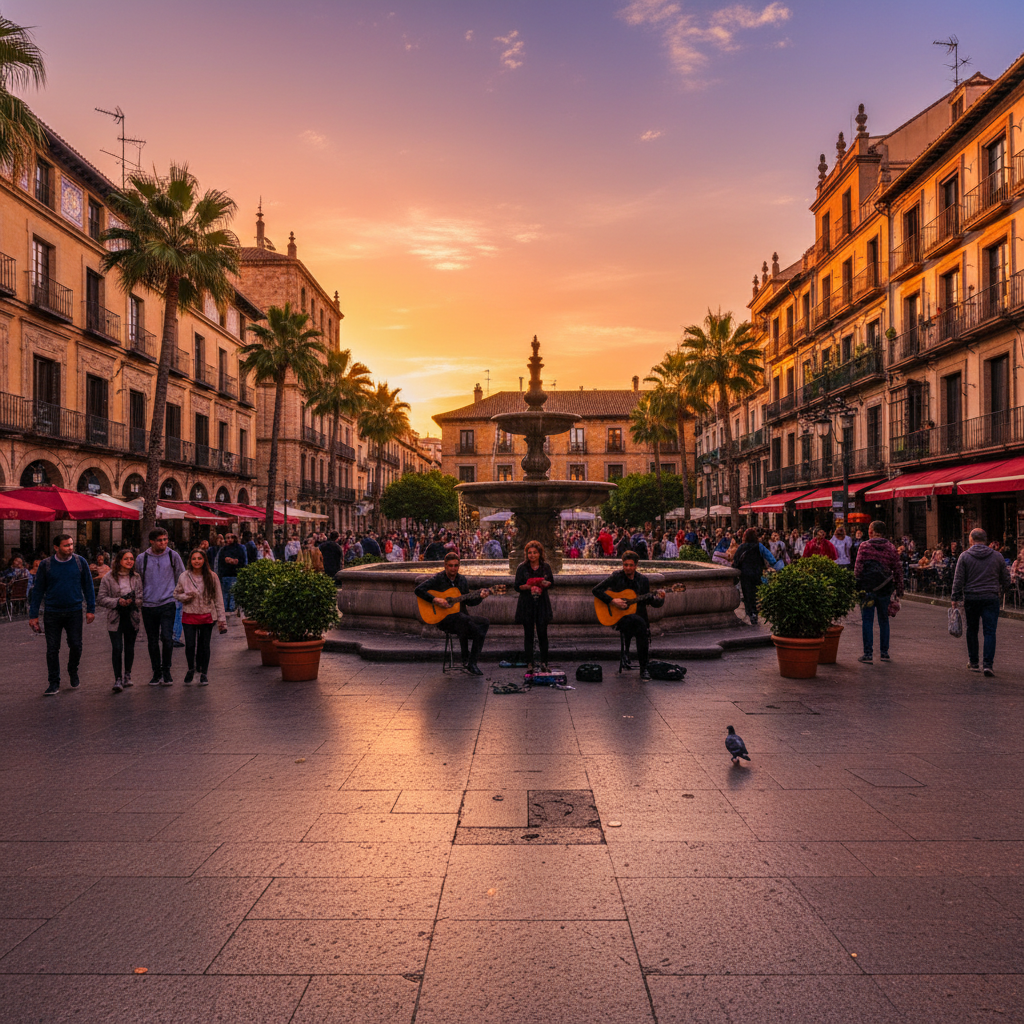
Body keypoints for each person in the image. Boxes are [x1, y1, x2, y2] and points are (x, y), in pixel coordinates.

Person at [29, 534, 96, 696]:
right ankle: (54, 682)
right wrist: (33, 615)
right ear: (56, 547)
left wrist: (91, 609)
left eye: (71, 544)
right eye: (66, 545)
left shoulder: (80, 562)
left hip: (74, 611)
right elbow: (37, 591)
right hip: (52, 612)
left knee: (76, 645)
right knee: (52, 648)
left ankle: (73, 669)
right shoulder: (46, 565)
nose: (70, 548)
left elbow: (88, 586)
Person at [414, 551, 491, 675]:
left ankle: (471, 662)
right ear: (445, 565)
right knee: (468, 622)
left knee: (484, 622)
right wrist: (435, 599)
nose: (453, 568)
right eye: (450, 565)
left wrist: (480, 597)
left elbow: (469, 602)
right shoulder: (438, 578)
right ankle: (468, 660)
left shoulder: (462, 580)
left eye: (456, 566)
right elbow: (418, 590)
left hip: (462, 620)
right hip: (444, 620)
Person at [593, 551, 665, 681]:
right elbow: (596, 590)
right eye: (625, 565)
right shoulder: (617, 577)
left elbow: (650, 601)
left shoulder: (643, 581)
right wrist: (612, 601)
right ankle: (642, 666)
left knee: (641, 627)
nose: (627, 568)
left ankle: (643, 668)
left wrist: (660, 599)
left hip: (639, 620)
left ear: (636, 565)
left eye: (631, 565)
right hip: (621, 619)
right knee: (640, 625)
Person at [951, 527, 1010, 677]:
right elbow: (1006, 579)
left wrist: (955, 598)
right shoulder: (997, 556)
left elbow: (958, 580)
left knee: (972, 629)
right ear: (986, 540)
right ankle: (988, 665)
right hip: (991, 597)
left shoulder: (964, 556)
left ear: (971, 540)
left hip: (971, 597)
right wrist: (1002, 591)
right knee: (990, 631)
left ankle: (974, 662)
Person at [138, 528, 186, 686]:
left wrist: (180, 597)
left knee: (167, 638)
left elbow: (181, 576)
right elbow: (137, 580)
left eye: (165, 539)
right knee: (152, 641)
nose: (163, 543)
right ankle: (156, 672)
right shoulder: (142, 558)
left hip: (168, 603)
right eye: (160, 540)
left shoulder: (173, 556)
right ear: (151, 541)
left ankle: (166, 670)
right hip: (148, 605)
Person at [173, 548, 227, 685]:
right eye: (194, 559)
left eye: (199, 558)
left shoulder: (212, 576)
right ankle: (191, 668)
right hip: (189, 615)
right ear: (190, 561)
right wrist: (186, 597)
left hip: (207, 616)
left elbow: (218, 599)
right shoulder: (184, 576)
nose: (197, 561)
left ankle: (204, 673)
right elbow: (176, 594)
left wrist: (222, 620)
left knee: (204, 645)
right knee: (190, 645)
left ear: (204, 560)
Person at [853, 520, 903, 664]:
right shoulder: (891, 548)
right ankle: (884, 653)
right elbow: (898, 570)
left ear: (872, 531)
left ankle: (868, 654)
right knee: (883, 620)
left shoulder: (864, 546)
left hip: (868, 589)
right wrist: (899, 590)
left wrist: (858, 585)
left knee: (867, 620)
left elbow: (858, 569)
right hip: (884, 590)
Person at [96, 549, 144, 693]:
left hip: (131, 616)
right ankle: (117, 678)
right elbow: (101, 598)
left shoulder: (136, 577)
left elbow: (141, 597)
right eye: (126, 559)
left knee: (129, 647)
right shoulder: (108, 578)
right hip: (115, 616)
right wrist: (118, 601)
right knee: (117, 648)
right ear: (119, 561)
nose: (129, 561)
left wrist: (134, 601)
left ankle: (127, 674)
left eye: (131, 559)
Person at [513, 540, 555, 671]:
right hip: (527, 603)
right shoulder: (522, 568)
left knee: (543, 633)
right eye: (529, 553)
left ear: (539, 553)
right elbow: (517, 586)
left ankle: (544, 662)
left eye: (535, 553)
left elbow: (552, 583)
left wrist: (545, 584)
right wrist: (529, 586)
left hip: (542, 603)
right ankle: (529, 662)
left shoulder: (545, 567)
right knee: (528, 634)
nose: (532, 555)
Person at [732, 528, 778, 626]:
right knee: (756, 593)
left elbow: (735, 560)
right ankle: (754, 612)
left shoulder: (741, 547)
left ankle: (750, 612)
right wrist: (775, 566)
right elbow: (770, 558)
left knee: (747, 594)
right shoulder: (759, 546)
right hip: (757, 573)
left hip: (745, 574)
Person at [217, 532, 248, 612]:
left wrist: (235, 561)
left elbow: (242, 561)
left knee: (233, 594)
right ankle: (225, 609)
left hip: (235, 575)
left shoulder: (239, 549)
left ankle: (231, 609)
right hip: (226, 575)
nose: (229, 539)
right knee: (226, 594)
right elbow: (220, 562)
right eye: (227, 538)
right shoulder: (223, 550)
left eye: (231, 537)